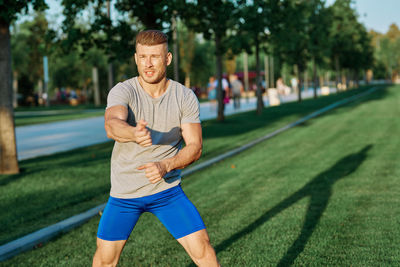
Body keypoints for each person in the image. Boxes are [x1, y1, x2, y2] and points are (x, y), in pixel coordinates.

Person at [92, 30, 220, 267]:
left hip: (167, 191)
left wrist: (165, 165)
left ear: (168, 58)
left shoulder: (184, 96)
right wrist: (133, 133)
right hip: (125, 195)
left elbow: (195, 146)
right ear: (135, 58)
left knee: (203, 249)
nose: (148, 64)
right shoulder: (124, 91)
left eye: (154, 57)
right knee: (104, 261)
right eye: (142, 57)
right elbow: (112, 126)